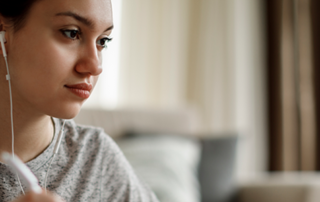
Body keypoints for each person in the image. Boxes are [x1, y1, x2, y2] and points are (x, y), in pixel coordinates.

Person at [0, 0, 159, 201]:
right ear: (3, 33)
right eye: (72, 33)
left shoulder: (96, 159)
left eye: (103, 41)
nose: (95, 66)